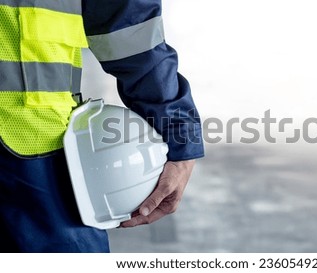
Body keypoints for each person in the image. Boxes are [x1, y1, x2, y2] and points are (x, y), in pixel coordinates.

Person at [0, 0, 204, 252]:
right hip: (33, 151)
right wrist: (180, 139)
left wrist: (180, 135)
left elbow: (128, 28)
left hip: (33, 149)